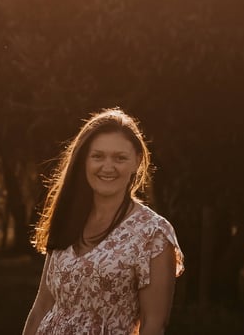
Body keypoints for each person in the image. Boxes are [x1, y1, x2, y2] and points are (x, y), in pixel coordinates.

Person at [23, 108, 185, 335]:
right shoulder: (70, 217)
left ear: (137, 162)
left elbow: (154, 324)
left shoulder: (153, 233)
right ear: (84, 161)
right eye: (97, 156)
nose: (107, 167)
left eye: (120, 158)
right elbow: (42, 306)